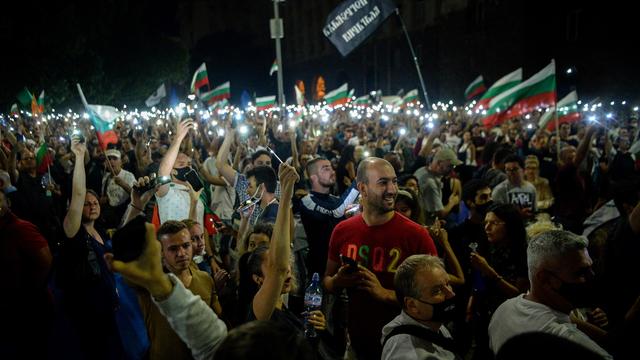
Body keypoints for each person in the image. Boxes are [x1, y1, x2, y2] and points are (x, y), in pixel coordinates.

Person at [323, 157, 438, 359]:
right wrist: (338, 281)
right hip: (357, 344)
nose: (393, 189)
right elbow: (327, 282)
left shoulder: (416, 236)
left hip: (407, 347)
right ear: (363, 188)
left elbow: (436, 299)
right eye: (383, 182)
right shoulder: (343, 231)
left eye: (394, 181)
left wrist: (385, 294)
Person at [108, 223, 227, 360]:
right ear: (161, 252)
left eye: (185, 245)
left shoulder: (205, 278)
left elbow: (218, 315)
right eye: (173, 248)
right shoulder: (148, 285)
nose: (181, 253)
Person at [488, 230, 612, 359]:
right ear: (545, 279)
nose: (591, 276)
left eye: (591, 268)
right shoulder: (569, 340)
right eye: (580, 273)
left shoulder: (502, 310)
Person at [57, 137, 124, 359]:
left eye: (95, 202)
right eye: (86, 204)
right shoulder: (72, 231)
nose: (92, 205)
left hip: (110, 307)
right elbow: (78, 193)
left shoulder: (102, 232)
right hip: (88, 310)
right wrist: (78, 156)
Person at [0, 190, 53, 359]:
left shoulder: (21, 228)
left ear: (7, 203)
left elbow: (46, 262)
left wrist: (31, 291)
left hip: (30, 306)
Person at [381, 255, 462, 360]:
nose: (451, 294)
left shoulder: (431, 323)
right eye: (437, 291)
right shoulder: (405, 353)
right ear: (412, 305)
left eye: (448, 284)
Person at [294, 157, 359, 276]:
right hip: (319, 270)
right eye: (326, 168)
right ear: (313, 177)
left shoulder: (335, 200)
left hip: (341, 267)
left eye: (331, 167)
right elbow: (336, 212)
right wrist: (359, 180)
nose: (332, 171)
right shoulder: (307, 201)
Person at [155, 118, 206, 225]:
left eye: (189, 164)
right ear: (172, 171)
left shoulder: (197, 193)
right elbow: (163, 171)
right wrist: (178, 138)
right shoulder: (167, 192)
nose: (188, 168)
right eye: (181, 164)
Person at [416, 148, 462, 225]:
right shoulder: (430, 183)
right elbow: (440, 213)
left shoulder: (422, 170)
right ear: (440, 163)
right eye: (450, 166)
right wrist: (453, 202)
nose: (452, 170)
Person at [101, 148, 136, 228]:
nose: (111, 161)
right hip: (110, 219)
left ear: (121, 162)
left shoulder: (128, 176)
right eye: (109, 159)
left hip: (125, 218)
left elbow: (136, 195)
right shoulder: (105, 177)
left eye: (115, 159)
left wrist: (123, 184)